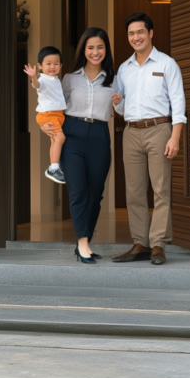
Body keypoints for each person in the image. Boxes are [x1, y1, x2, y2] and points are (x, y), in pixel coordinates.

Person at [111, 12, 186, 266]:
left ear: (150, 33)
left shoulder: (167, 64)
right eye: (131, 33)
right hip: (131, 132)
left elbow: (178, 104)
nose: (136, 37)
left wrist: (175, 137)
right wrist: (118, 105)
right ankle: (139, 243)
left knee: (160, 190)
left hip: (160, 130)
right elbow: (121, 108)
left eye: (140, 32)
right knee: (133, 191)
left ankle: (157, 245)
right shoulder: (124, 68)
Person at [52, 28, 117, 264]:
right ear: (83, 50)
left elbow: (121, 110)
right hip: (73, 133)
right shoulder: (70, 78)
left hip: (100, 134)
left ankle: (85, 240)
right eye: (90, 47)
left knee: (95, 193)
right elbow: (54, 103)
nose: (95, 52)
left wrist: (118, 104)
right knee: (78, 190)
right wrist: (47, 125)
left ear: (106, 50)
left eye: (100, 47)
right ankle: (82, 243)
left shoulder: (113, 79)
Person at [23, 46, 67, 184]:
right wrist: (33, 76)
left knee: (55, 140)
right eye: (48, 64)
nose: (52, 67)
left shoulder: (56, 79)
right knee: (60, 138)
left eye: (56, 63)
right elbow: (36, 85)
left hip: (57, 114)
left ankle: (54, 167)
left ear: (60, 66)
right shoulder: (43, 79)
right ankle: (53, 168)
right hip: (49, 114)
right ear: (40, 66)